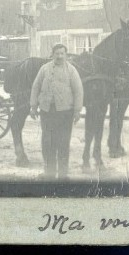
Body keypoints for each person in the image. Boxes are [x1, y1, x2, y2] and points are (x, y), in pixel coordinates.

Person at [30, 44, 84, 180]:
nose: (59, 56)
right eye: (57, 53)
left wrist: (77, 110)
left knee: (63, 142)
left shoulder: (71, 70)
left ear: (66, 55)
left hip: (65, 113)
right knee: (48, 142)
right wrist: (33, 105)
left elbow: (78, 91)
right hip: (47, 111)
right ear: (52, 55)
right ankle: (49, 173)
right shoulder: (44, 69)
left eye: (62, 53)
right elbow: (35, 87)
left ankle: (63, 174)